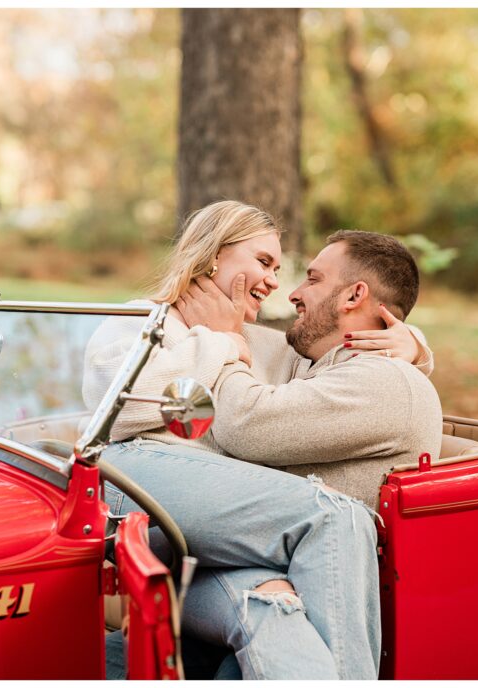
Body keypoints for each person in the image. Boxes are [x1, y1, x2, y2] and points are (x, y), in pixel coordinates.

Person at [84, 202, 441, 679]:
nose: (278, 283)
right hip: (138, 491)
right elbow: (121, 406)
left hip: (222, 540)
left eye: (291, 272)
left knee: (270, 612)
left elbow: (330, 368)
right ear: (214, 257)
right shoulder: (142, 322)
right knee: (336, 516)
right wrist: (218, 341)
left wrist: (414, 343)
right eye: (264, 262)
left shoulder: (263, 344)